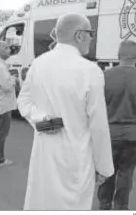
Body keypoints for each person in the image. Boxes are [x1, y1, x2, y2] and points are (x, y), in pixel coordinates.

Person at [17, 13, 114, 210]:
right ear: (80, 35)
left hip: (43, 156)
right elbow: (99, 126)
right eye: (90, 33)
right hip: (75, 160)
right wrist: (104, 167)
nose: (91, 38)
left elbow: (23, 100)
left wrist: (41, 120)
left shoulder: (39, 63)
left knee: (42, 203)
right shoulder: (90, 71)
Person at [97, 40, 136, 210]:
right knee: (126, 173)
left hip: (109, 134)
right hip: (135, 136)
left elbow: (96, 108)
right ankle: (121, 207)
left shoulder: (104, 77)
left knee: (107, 172)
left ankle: (104, 205)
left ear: (118, 56)